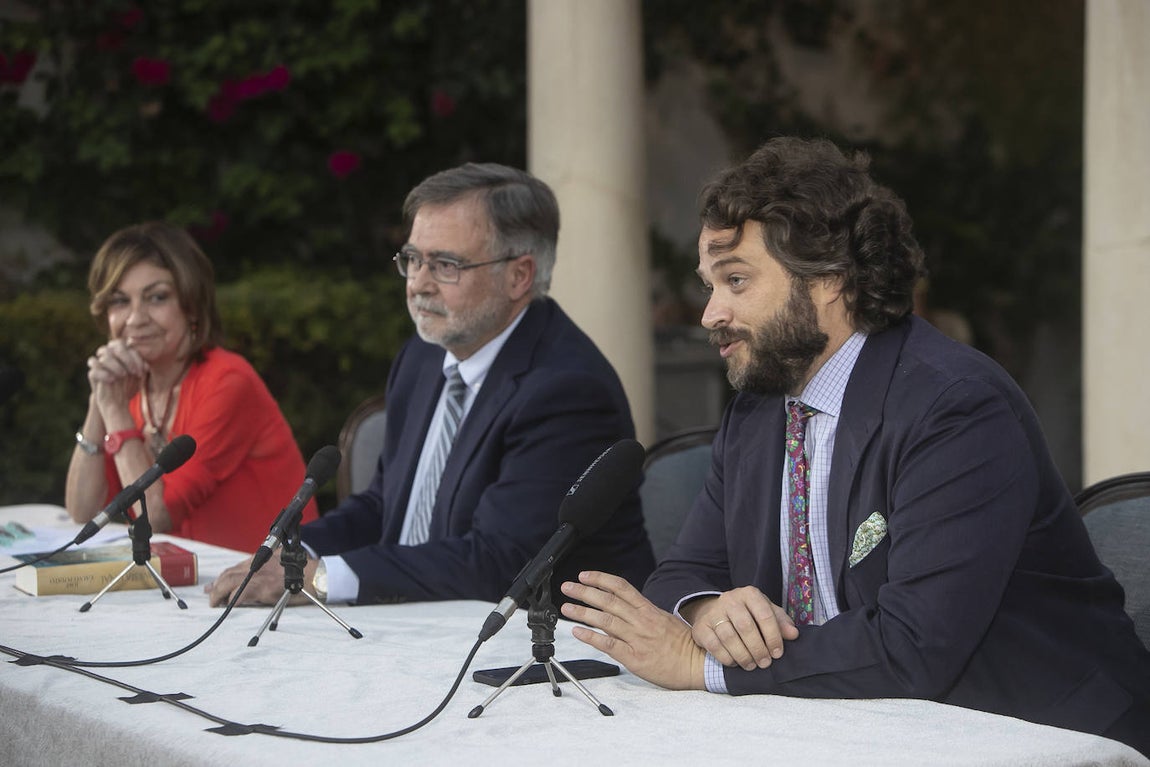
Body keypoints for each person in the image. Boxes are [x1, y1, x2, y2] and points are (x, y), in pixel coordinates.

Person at [558, 137, 1150, 756]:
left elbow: (915, 645)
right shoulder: (759, 410)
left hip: (1038, 734)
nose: (710, 313)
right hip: (858, 728)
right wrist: (707, 613)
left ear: (828, 282)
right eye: (710, 285)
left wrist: (701, 664)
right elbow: (685, 571)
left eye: (735, 280)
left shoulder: (955, 407)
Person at [207, 162, 654, 608]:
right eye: (413, 259)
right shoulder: (423, 357)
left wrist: (323, 579)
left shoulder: (567, 390)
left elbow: (501, 562)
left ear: (518, 276)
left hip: (541, 647)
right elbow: (385, 506)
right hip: (418, 620)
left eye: (445, 265)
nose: (418, 284)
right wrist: (290, 555)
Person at [65, 222, 317, 550]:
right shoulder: (129, 388)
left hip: (268, 579)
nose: (134, 319)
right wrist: (99, 402)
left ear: (193, 306)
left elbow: (154, 517)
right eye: (119, 301)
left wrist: (113, 409)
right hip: (192, 583)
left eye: (156, 297)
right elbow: (82, 511)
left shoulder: (228, 383)